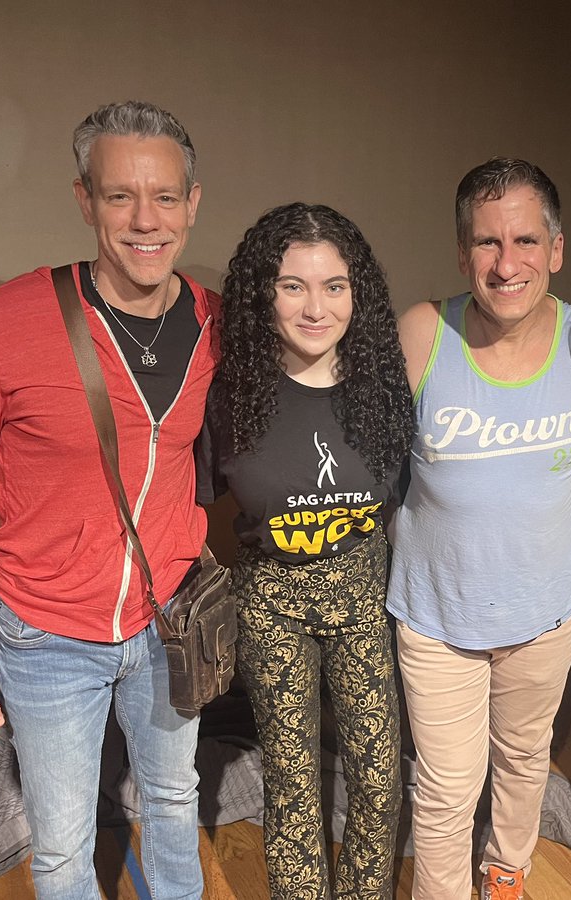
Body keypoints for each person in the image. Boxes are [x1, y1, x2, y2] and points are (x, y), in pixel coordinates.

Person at [0, 101, 215, 899]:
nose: (145, 220)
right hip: (48, 637)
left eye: (165, 198)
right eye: (120, 196)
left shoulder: (218, 325)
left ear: (193, 203)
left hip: (169, 621)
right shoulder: (3, 323)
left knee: (176, 800)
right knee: (62, 848)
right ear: (85, 201)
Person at [196, 203, 414, 899]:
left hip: (363, 597)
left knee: (379, 779)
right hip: (271, 602)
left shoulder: (384, 387)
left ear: (359, 293)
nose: (315, 307)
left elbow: (412, 498)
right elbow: (184, 499)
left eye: (334, 285)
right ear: (265, 292)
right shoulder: (231, 392)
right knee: (291, 787)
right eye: (293, 285)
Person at [390, 158, 571, 900]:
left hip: (544, 616)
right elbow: (361, 452)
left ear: (557, 250)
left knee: (524, 757)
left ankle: (506, 874)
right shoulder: (422, 332)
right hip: (438, 618)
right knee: (444, 789)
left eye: (526, 242)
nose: (507, 264)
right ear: (462, 252)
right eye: (486, 243)